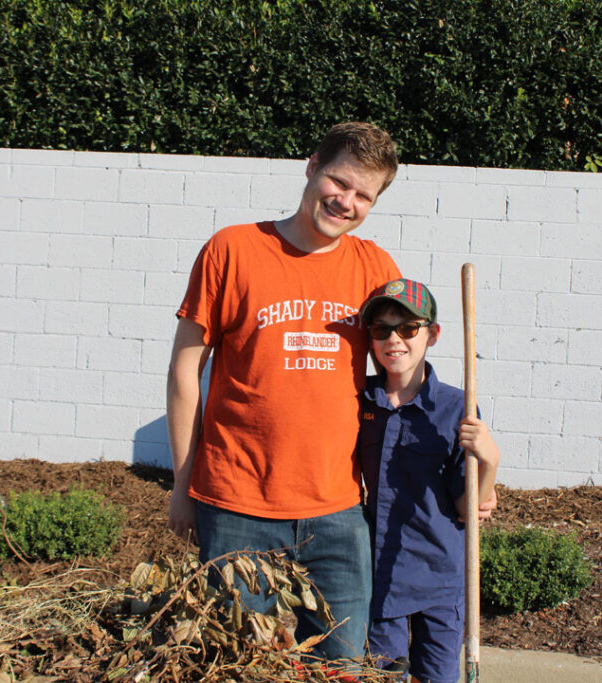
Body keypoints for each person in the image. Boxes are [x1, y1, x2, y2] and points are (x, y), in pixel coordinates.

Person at [165, 122, 402, 663]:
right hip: (235, 505)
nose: (346, 202)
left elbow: (402, 380)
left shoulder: (375, 270)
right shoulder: (233, 250)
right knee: (238, 663)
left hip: (338, 510)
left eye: (363, 195)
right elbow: (185, 371)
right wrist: (182, 483)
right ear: (312, 165)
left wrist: (470, 463)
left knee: (341, 661)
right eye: (338, 182)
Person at [356, 278, 501, 683]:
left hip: (439, 576)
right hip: (381, 574)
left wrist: (490, 461)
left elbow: (466, 507)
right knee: (382, 678)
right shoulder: (360, 400)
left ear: (431, 334)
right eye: (381, 329)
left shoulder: (456, 406)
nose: (393, 340)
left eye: (407, 328)